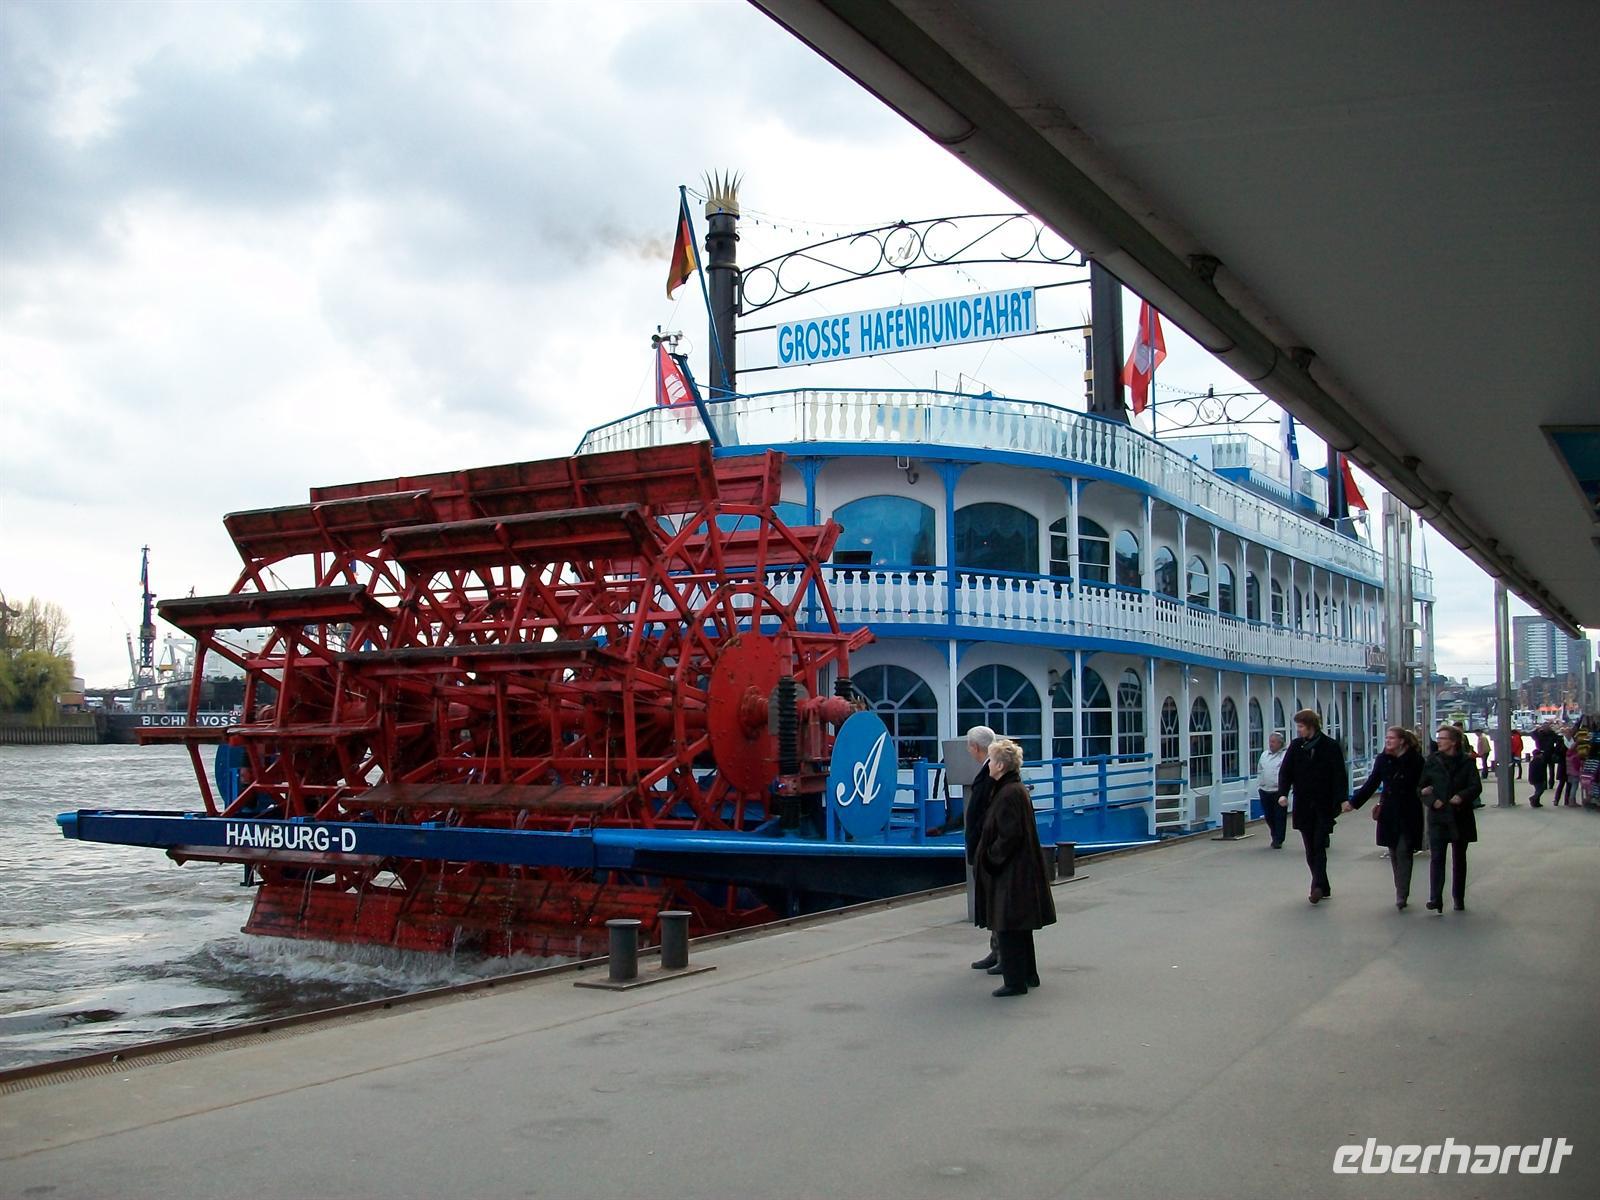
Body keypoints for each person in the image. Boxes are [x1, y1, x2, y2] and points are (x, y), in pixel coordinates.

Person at [975, 737, 1056, 997]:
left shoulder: (1008, 793)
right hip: (1020, 869)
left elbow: (1009, 835)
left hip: (1011, 872)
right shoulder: (1015, 789)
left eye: (991, 760)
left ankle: (1015, 981)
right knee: (1020, 926)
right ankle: (1028, 974)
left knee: (1009, 926)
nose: (988, 765)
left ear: (1000, 765)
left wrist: (990, 859)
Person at [1345, 726, 1426, 910]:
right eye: (1387, 738)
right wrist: (1353, 803)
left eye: (1392, 738)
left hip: (1409, 811)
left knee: (1404, 851)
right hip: (1389, 811)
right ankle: (1400, 888)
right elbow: (1372, 783)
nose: (1388, 741)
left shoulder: (1415, 760)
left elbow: (1424, 781)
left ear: (1402, 741)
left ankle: (1402, 893)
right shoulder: (1383, 760)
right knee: (1394, 852)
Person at [1277, 708, 1348, 904]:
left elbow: (1339, 775)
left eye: (1301, 726)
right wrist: (1283, 793)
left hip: (1324, 805)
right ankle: (1323, 886)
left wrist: (1342, 799)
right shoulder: (1296, 746)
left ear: (1311, 726)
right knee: (1310, 848)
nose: (1298, 730)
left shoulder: (1330, 746)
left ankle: (1316, 886)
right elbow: (1286, 772)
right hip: (1303, 805)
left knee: (1318, 845)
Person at [1420, 725, 1481, 912]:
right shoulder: (1432, 761)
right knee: (1437, 858)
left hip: (1460, 815)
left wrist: (1461, 796)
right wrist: (1432, 801)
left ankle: (1458, 897)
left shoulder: (1467, 762)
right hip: (1438, 816)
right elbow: (1421, 787)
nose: (1438, 741)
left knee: (1459, 859)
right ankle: (1435, 898)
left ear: (1453, 742)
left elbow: (1475, 786)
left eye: (1442, 738)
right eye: (1438, 738)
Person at [962, 726, 1000, 972]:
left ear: (975, 747)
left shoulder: (990, 774)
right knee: (993, 902)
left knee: (997, 901)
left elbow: (986, 811)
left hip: (988, 849)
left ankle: (1002, 953)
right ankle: (997, 949)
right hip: (986, 846)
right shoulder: (989, 771)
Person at [1254, 731, 1288, 848]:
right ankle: (1274, 834)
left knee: (1280, 816)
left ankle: (1279, 839)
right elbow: (1259, 770)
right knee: (1269, 816)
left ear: (1280, 743)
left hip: (1279, 791)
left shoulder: (1285, 756)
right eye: (1270, 741)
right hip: (1264, 790)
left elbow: (1288, 772)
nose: (1271, 744)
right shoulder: (1264, 755)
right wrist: (1260, 784)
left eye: (1273, 742)